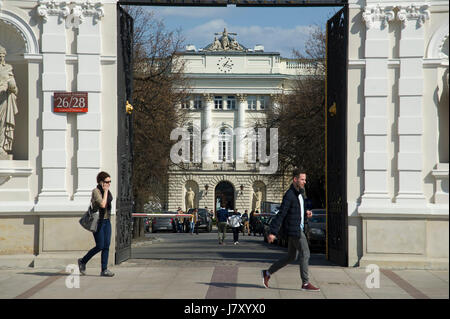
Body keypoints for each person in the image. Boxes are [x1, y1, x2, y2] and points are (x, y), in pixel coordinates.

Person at [262, 168, 320, 291]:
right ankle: (305, 283)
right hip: (295, 230)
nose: (305, 182)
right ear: (295, 179)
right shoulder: (289, 195)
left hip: (298, 228)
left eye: (305, 179)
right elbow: (281, 213)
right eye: (302, 179)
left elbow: (297, 210)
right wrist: (273, 232)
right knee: (305, 253)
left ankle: (267, 273)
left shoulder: (300, 193)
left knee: (291, 256)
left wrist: (306, 212)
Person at [78, 171, 115, 277]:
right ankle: (83, 261)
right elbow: (103, 204)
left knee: (106, 245)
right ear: (101, 182)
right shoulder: (96, 191)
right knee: (100, 245)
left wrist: (107, 191)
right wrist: (106, 191)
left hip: (107, 221)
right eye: (107, 181)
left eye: (110, 182)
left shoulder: (107, 191)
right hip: (98, 222)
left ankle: (104, 270)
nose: (108, 184)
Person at [0, 45, 18, 159]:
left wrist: (12, 86)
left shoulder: (8, 68)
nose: (1, 58)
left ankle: (1, 146)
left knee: (2, 123)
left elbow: (14, 88)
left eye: (2, 56)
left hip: (4, 100)